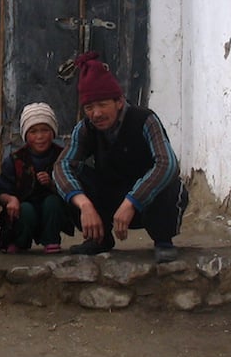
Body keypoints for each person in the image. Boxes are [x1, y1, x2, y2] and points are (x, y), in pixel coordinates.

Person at [53, 51, 189, 262]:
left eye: (102, 104)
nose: (96, 113)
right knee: (68, 179)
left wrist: (131, 202)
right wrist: (85, 205)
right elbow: (63, 165)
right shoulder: (86, 128)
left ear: (118, 101)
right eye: (89, 107)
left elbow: (167, 164)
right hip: (112, 197)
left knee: (169, 183)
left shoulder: (145, 120)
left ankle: (163, 240)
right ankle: (99, 239)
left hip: (144, 204)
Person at [0, 102, 73, 254]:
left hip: (51, 212)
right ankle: (20, 241)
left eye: (45, 130)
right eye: (33, 132)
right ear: (25, 135)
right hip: (23, 211)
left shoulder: (62, 157)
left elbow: (72, 186)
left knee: (52, 202)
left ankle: (51, 240)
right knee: (26, 209)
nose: (40, 137)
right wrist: (10, 199)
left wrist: (52, 184)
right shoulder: (14, 160)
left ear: (53, 132)